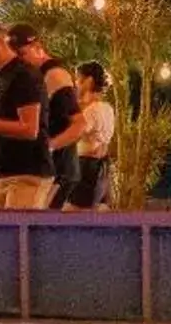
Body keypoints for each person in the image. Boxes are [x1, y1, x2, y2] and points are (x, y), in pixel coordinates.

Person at [0, 17, 55, 206]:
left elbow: (30, 129)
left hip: (28, 173)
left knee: (15, 233)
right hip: (2, 172)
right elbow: (5, 122)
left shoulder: (24, 75)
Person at [11, 23, 83, 206]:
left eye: (22, 54)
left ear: (38, 48)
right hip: (48, 169)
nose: (20, 62)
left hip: (58, 169)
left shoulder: (55, 76)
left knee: (39, 228)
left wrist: (49, 146)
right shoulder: (37, 76)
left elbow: (80, 125)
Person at [68, 62, 117, 208]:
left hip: (86, 168)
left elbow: (73, 134)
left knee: (74, 214)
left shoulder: (92, 111)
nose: (75, 84)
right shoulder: (107, 109)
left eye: (78, 79)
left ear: (88, 81)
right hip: (102, 167)